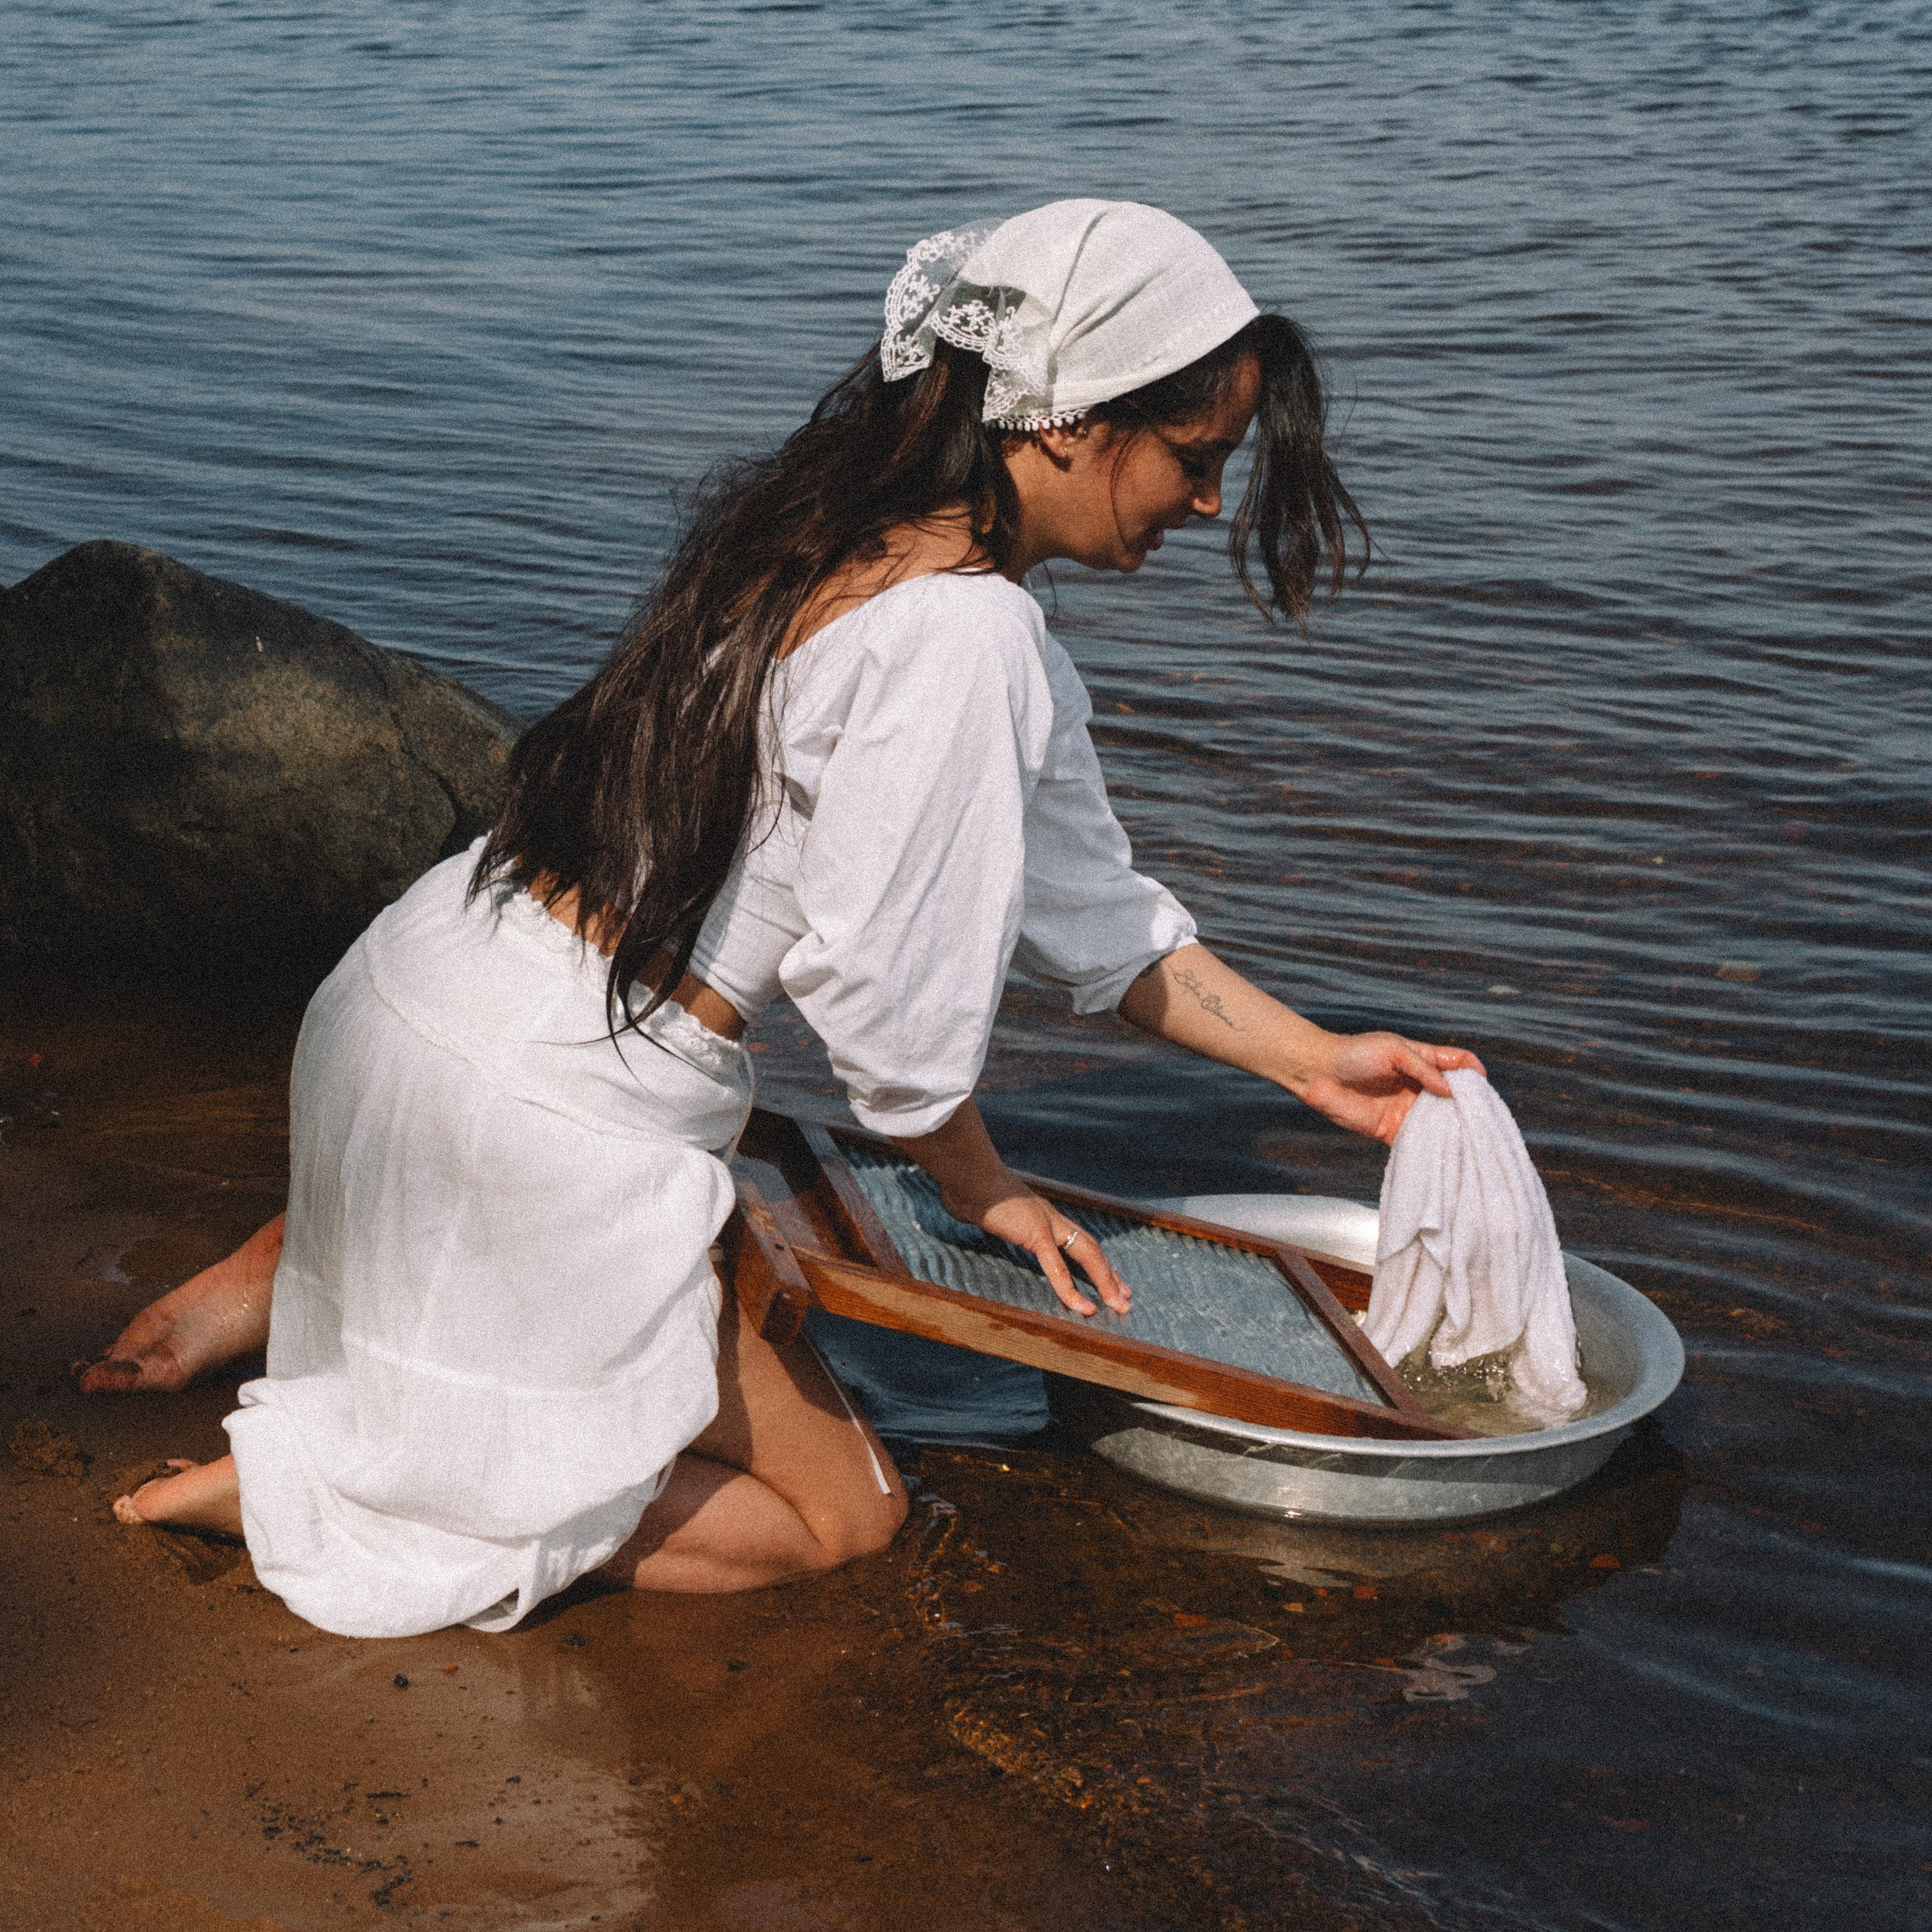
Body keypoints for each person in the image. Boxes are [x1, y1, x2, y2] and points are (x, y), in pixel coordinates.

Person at [91, 200, 1481, 1635]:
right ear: (1067, 420)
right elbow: (895, 1025)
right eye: (1197, 461)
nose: (1204, 505)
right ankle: (321, 1487)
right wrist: (979, 1178)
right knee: (842, 1519)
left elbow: (1095, 914)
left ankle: (320, 1256)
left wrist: (1314, 1061)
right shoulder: (966, 635)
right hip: (534, 1110)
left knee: (728, 1220)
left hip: (408, 997)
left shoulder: (833, 531)